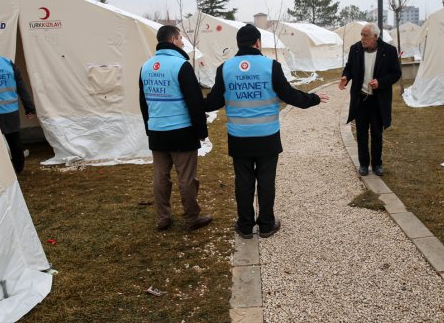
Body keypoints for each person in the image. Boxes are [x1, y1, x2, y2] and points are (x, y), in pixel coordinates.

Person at [204, 24, 329, 239]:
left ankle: (245, 226)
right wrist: (313, 99)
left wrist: (190, 101)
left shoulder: (225, 69)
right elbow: (289, 95)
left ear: (238, 43)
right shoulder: (271, 66)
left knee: (243, 181)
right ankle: (266, 225)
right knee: (266, 180)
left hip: (239, 136)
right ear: (258, 43)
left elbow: (213, 102)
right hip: (267, 136)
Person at [139, 25, 212, 232]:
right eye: (180, 38)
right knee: (187, 178)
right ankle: (191, 218)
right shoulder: (181, 66)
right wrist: (201, 132)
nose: (182, 42)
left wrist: (149, 128)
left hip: (157, 131)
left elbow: (143, 102)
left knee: (160, 177)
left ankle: (163, 218)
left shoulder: (145, 66)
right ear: (173, 40)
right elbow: (194, 102)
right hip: (181, 131)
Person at [338, 23, 401, 176]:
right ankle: (364, 164)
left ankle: (377, 164)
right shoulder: (356, 49)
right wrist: (346, 76)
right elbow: (349, 67)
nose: (362, 38)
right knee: (361, 133)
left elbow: (395, 73)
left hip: (378, 100)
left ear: (375, 36)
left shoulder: (389, 51)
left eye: (365, 35)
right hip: (361, 99)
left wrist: (380, 82)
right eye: (361, 35)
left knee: (377, 133)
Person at [0, 38, 36, 174]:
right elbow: (22, 88)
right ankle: (18, 169)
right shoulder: (9, 64)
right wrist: (29, 108)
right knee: (15, 142)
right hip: (11, 111)